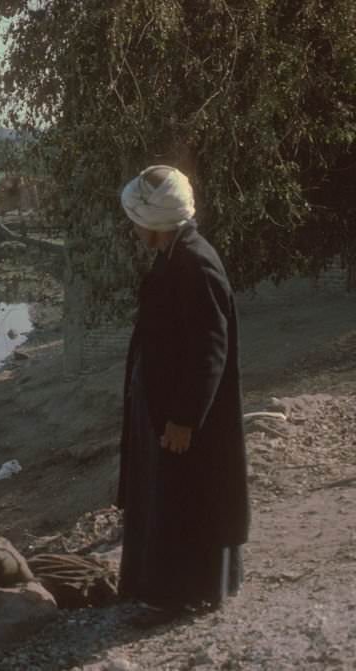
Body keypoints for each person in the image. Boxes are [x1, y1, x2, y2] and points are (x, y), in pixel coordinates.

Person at [117, 165, 249, 625]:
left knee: (184, 499)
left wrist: (185, 417)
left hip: (185, 416)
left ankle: (176, 599)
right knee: (168, 497)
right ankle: (166, 590)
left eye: (138, 219)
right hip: (167, 408)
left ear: (157, 220)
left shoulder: (196, 262)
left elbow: (211, 349)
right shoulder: (174, 254)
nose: (134, 228)